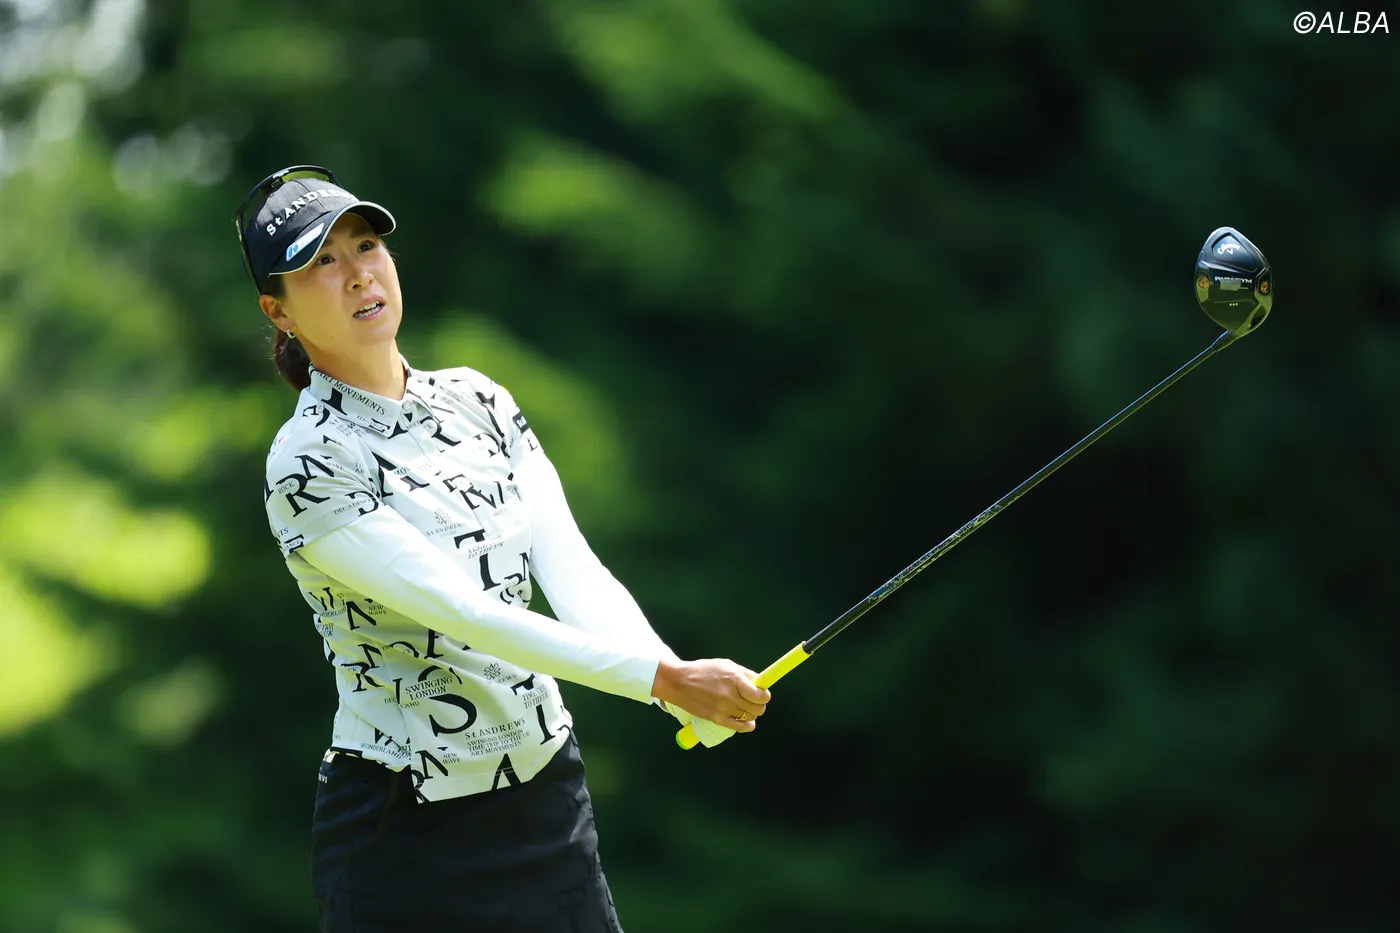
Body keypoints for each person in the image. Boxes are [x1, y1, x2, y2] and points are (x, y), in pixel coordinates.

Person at [234, 165, 771, 932]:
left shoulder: (478, 399)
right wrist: (663, 679)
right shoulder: (308, 460)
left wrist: (672, 680)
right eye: (321, 261)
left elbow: (571, 567)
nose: (357, 274)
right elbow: (464, 614)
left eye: (365, 245)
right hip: (402, 829)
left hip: (543, 798)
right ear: (278, 310)